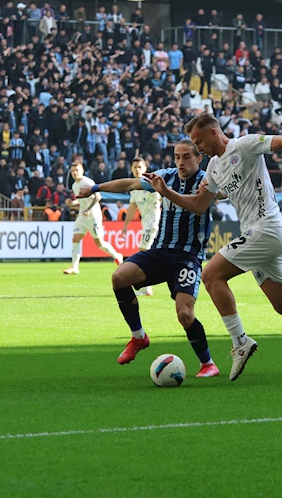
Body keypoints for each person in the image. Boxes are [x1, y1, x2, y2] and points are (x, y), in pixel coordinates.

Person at [144, 112, 282, 382]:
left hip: (265, 228)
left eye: (198, 142)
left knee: (210, 275)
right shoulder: (214, 168)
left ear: (213, 133)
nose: (198, 149)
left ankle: (240, 341)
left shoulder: (245, 145)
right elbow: (199, 205)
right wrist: (167, 192)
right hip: (257, 235)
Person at [77, 140, 219, 378]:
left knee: (184, 314)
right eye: (177, 157)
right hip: (160, 252)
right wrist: (95, 188)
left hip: (187, 257)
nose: (181, 162)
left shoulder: (207, 181)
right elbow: (131, 183)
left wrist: (167, 191)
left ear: (199, 158)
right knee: (119, 277)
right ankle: (139, 337)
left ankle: (208, 363)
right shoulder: (165, 176)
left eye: (186, 157)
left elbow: (205, 204)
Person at [63, 162, 123, 274]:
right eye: (72, 171)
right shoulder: (74, 185)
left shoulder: (87, 182)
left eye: (77, 170)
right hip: (82, 216)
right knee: (75, 239)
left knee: (99, 243)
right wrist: (72, 202)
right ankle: (74, 267)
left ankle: (117, 255)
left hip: (93, 216)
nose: (75, 173)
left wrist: (89, 209)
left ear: (82, 171)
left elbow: (98, 197)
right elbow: (81, 200)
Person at [120, 158, 161, 297]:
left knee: (143, 253)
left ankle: (146, 288)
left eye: (139, 167)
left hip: (154, 223)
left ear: (145, 168)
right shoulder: (134, 187)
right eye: (135, 167)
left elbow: (164, 196)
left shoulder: (151, 183)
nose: (137, 169)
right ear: (131, 169)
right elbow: (132, 207)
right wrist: (125, 225)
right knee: (153, 255)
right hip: (147, 224)